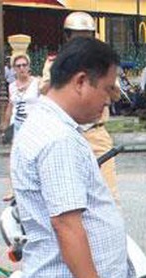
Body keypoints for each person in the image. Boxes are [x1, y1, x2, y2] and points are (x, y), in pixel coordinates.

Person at [10, 37, 138, 278]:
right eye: (108, 87)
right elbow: (67, 224)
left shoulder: (47, 125)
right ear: (81, 81)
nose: (111, 98)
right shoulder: (58, 139)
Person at [40, 11, 121, 203]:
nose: (81, 42)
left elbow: (115, 94)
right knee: (67, 194)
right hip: (66, 133)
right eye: (76, 36)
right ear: (67, 36)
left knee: (108, 194)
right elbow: (44, 90)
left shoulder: (102, 64)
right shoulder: (55, 63)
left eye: (86, 36)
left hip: (95, 133)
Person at [0, 54, 40, 136]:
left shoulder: (37, 83)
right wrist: (5, 124)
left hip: (33, 126)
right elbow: (11, 106)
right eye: (18, 66)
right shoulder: (12, 86)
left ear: (28, 67)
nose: (22, 68)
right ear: (14, 68)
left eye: (24, 65)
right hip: (16, 127)